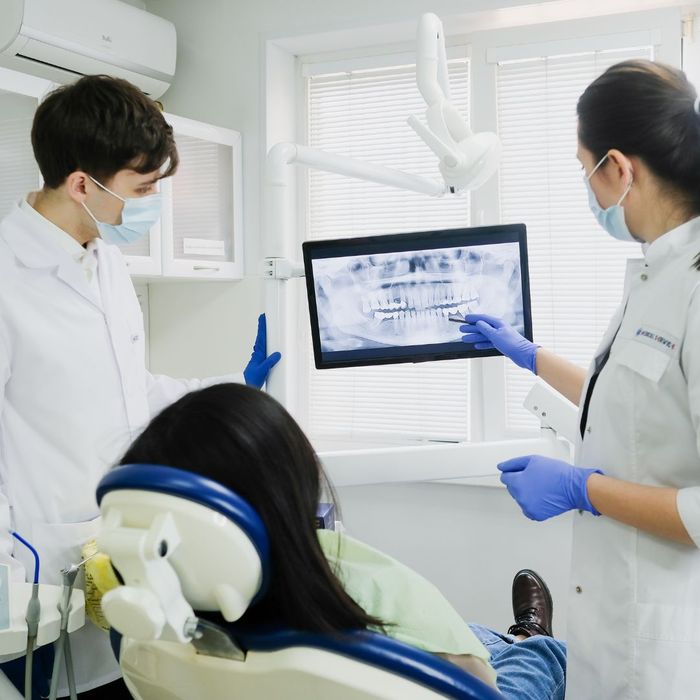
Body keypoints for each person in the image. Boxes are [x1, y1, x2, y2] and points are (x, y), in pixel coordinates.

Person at [0, 75, 280, 698]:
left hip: (114, 550)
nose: (152, 203)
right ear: (81, 184)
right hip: (32, 572)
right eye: (143, 188)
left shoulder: (104, 261)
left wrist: (235, 387)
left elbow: (131, 390)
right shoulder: (6, 278)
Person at [459, 59, 700, 698]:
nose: (586, 185)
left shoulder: (696, 286)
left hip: (663, 639)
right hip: (615, 615)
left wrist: (582, 488)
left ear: (620, 168)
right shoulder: (656, 274)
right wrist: (528, 355)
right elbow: (629, 402)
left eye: (583, 166)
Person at [117, 382, 567, 699]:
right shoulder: (373, 590)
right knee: (536, 659)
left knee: (473, 633)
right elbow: (477, 687)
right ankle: (532, 637)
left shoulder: (153, 632)